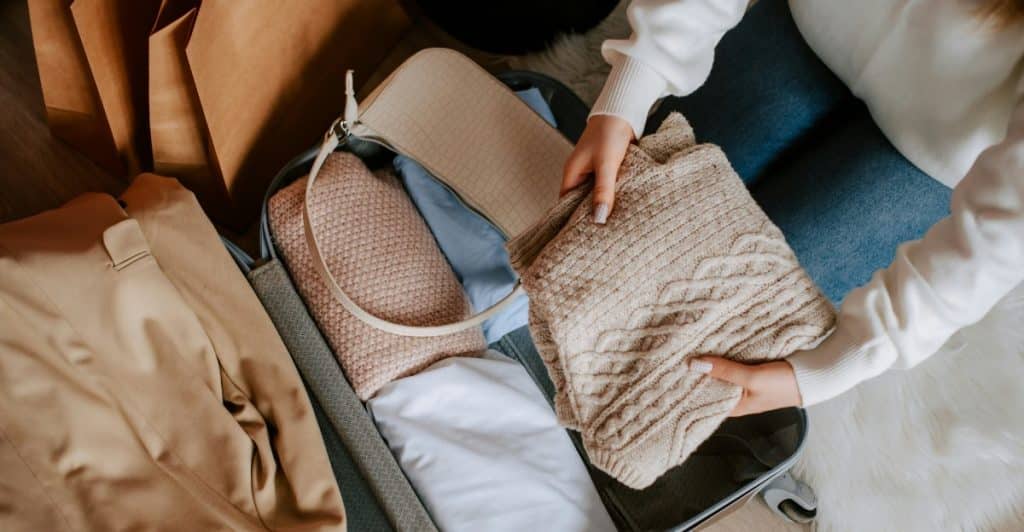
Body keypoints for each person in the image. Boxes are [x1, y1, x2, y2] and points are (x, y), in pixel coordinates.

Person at [562, 0, 1024, 415]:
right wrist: (630, 88)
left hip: (938, 149)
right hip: (816, 28)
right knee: (638, 220)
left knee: (721, 323)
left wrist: (842, 361)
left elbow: (1008, 231)